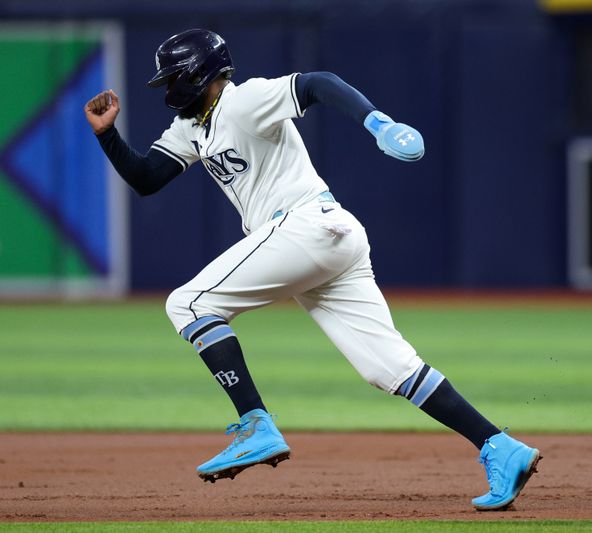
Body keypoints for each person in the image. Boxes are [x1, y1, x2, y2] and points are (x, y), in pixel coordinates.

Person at [84, 28, 540, 511]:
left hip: (304, 226)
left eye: (172, 77)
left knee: (189, 303)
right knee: (388, 369)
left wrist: (378, 123)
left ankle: (254, 422)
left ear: (198, 75)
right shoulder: (190, 128)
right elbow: (147, 178)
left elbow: (318, 82)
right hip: (323, 239)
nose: (167, 88)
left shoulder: (245, 100)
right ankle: (500, 447)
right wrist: (106, 134)